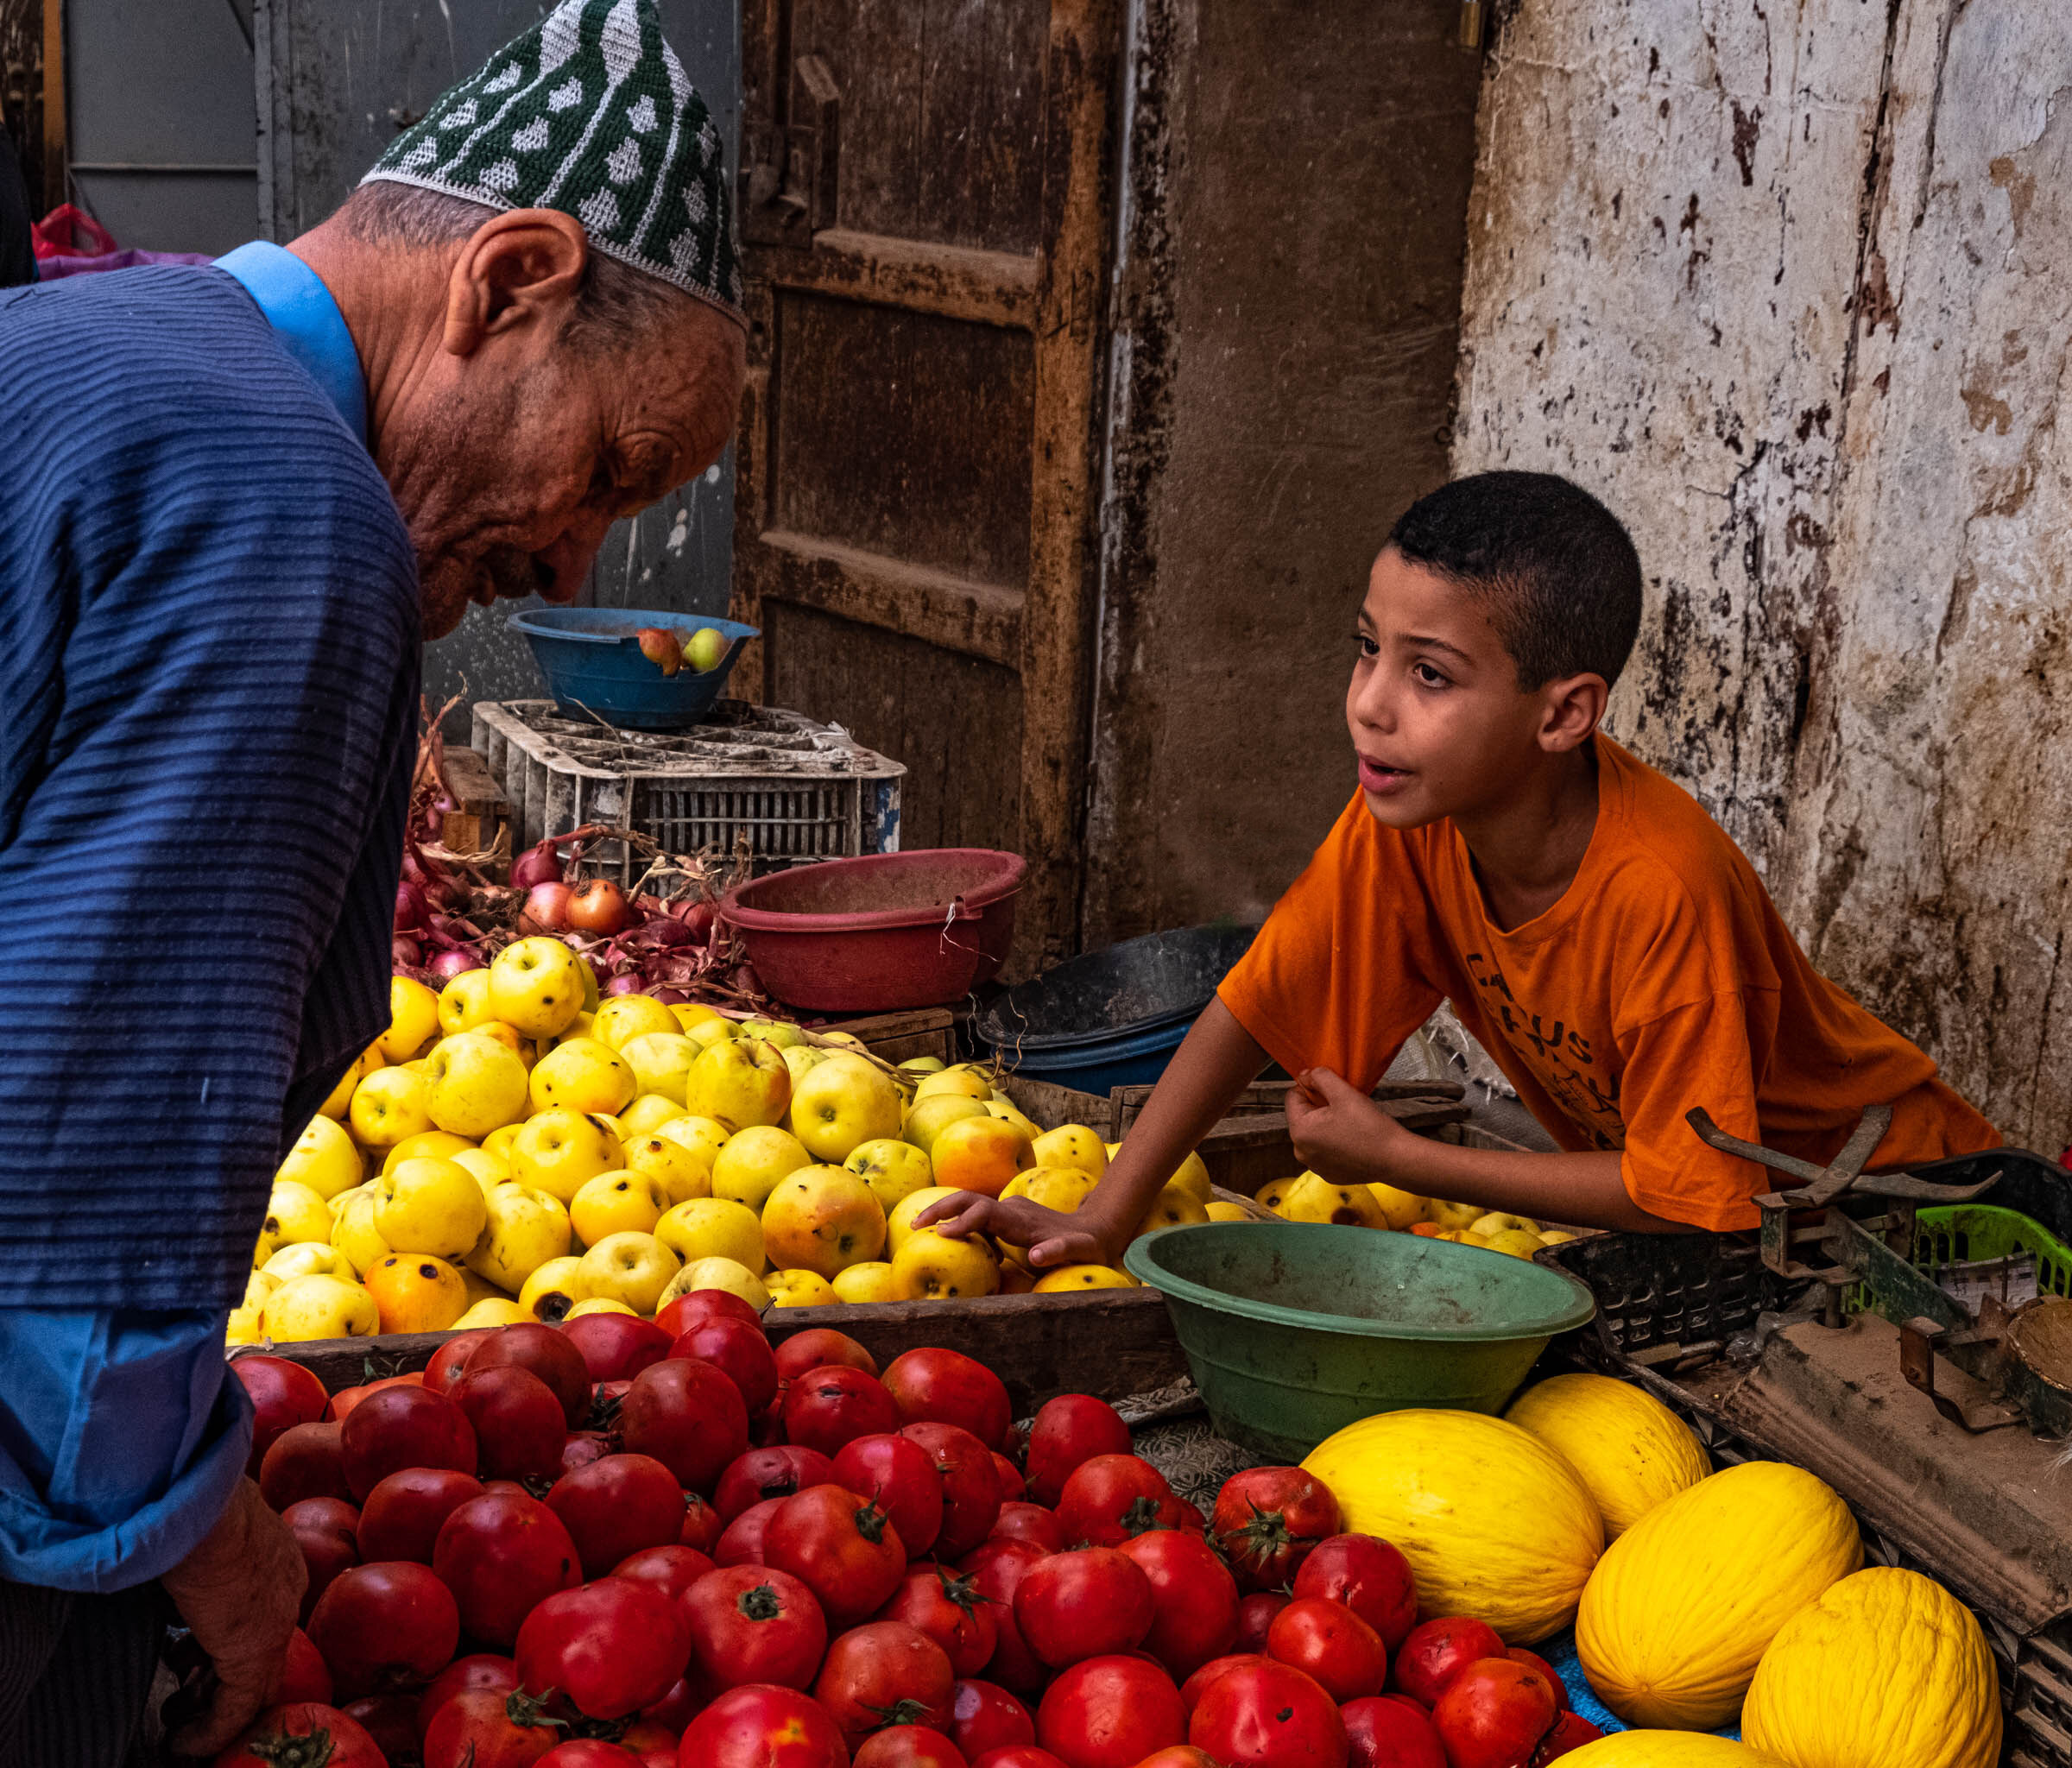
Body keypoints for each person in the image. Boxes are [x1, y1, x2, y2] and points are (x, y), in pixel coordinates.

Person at [0, 3, 745, 1759]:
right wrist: (198, 1532)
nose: (575, 552)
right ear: (511, 281)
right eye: (613, 474)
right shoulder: (282, 502)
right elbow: (83, 1144)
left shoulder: (86, 343)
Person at [925, 471, 1998, 1262]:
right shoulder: (1414, 815)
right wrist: (1102, 1213)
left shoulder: (1663, 890)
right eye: (1367, 646)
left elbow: (1687, 1191)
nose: (1370, 703)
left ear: (1565, 712)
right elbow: (1257, 1000)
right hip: (1750, 1222)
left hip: (1907, 1213)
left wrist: (1403, 1154)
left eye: (1429, 673)